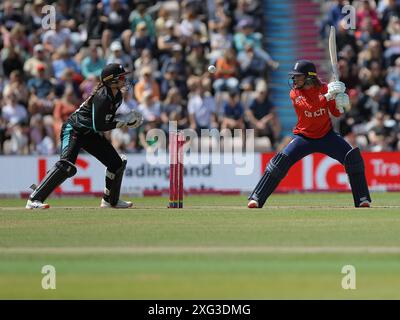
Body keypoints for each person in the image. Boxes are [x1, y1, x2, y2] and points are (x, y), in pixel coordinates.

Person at [247, 60, 372, 209]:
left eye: (298, 76)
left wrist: (340, 102)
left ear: (309, 77)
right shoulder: (295, 93)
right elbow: (311, 108)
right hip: (304, 138)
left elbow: (336, 113)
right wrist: (328, 96)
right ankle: (256, 198)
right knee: (279, 163)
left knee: (353, 158)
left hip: (327, 136)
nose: (294, 80)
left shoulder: (325, 88)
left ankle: (362, 199)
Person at [26, 63, 144, 209]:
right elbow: (99, 125)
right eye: (120, 77)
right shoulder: (102, 96)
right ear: (110, 80)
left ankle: (110, 201)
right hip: (74, 129)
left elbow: (105, 119)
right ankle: (34, 199)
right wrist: (121, 122)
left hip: (89, 133)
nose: (124, 80)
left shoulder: (117, 95)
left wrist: (124, 118)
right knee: (66, 165)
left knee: (117, 164)